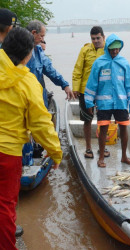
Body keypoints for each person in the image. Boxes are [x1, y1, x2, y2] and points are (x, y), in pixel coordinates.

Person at [0, 27, 62, 250]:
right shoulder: (27, 82)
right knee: (5, 207)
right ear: (28, 54)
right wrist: (55, 152)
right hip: (7, 153)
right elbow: (41, 125)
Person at [85, 34, 130, 168]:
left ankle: (124, 156)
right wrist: (89, 102)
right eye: (112, 49)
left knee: (124, 128)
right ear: (107, 48)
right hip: (103, 103)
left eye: (117, 49)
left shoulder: (124, 63)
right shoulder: (99, 62)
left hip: (120, 102)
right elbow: (92, 84)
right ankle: (101, 157)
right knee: (103, 129)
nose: (115, 51)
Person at [72, 26, 107, 159]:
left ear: (103, 37)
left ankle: (103, 148)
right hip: (85, 91)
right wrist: (75, 87)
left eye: (98, 38)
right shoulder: (85, 50)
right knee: (87, 120)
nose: (96, 41)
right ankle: (88, 148)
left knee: (103, 120)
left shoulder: (108, 50)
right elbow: (78, 69)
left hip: (103, 91)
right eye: (93, 39)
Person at [26, 20, 74, 108]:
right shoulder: (18, 49)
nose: (43, 39)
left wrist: (65, 85)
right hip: (24, 96)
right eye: (41, 36)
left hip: (38, 97)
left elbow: (50, 70)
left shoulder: (38, 51)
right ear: (33, 33)